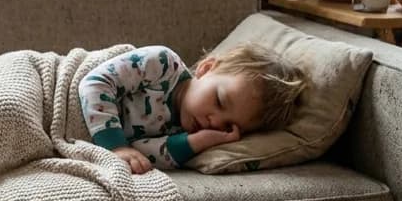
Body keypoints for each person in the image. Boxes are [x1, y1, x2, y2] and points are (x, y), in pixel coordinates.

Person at [78, 43, 307, 174]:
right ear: (206, 69)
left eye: (228, 125)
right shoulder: (163, 64)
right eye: (219, 100)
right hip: (64, 85)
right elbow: (95, 83)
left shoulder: (183, 133)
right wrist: (116, 145)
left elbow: (138, 156)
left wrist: (198, 142)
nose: (214, 121)